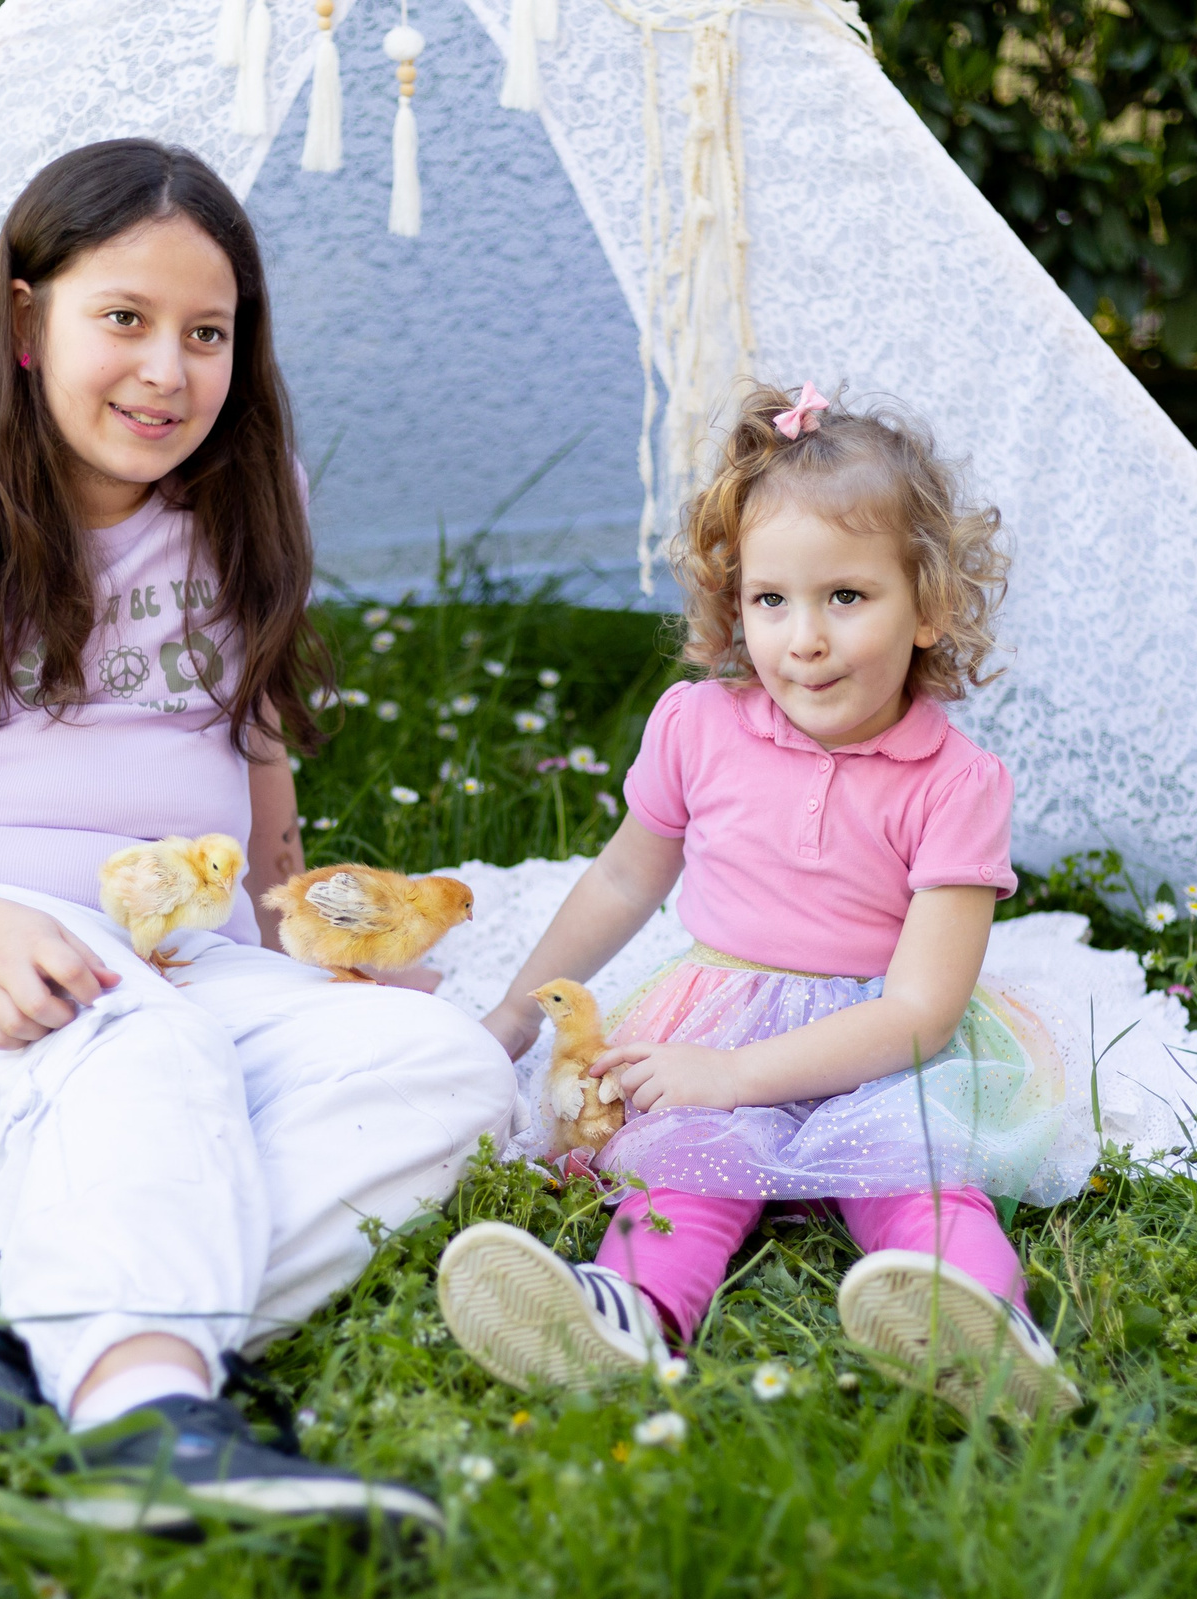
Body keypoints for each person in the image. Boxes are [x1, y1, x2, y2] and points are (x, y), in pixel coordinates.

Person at [0, 138, 515, 1536]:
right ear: (25, 322)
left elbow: (259, 803)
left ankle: (31, 1352)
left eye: (207, 333)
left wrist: (323, 946)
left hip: (190, 966)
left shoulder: (244, 515)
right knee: (153, 1043)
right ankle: (144, 1416)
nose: (166, 370)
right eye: (122, 318)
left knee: (454, 1065)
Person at [436, 383, 1084, 1421]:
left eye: (846, 597)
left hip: (877, 1041)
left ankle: (978, 1325)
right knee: (686, 1164)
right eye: (771, 600)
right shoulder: (698, 726)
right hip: (722, 1007)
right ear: (733, 604)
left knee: (917, 1175)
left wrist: (735, 1075)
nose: (804, 639)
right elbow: (619, 878)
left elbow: (918, 1015)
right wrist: (518, 1015)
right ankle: (625, 1319)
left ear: (930, 607)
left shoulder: (956, 783)